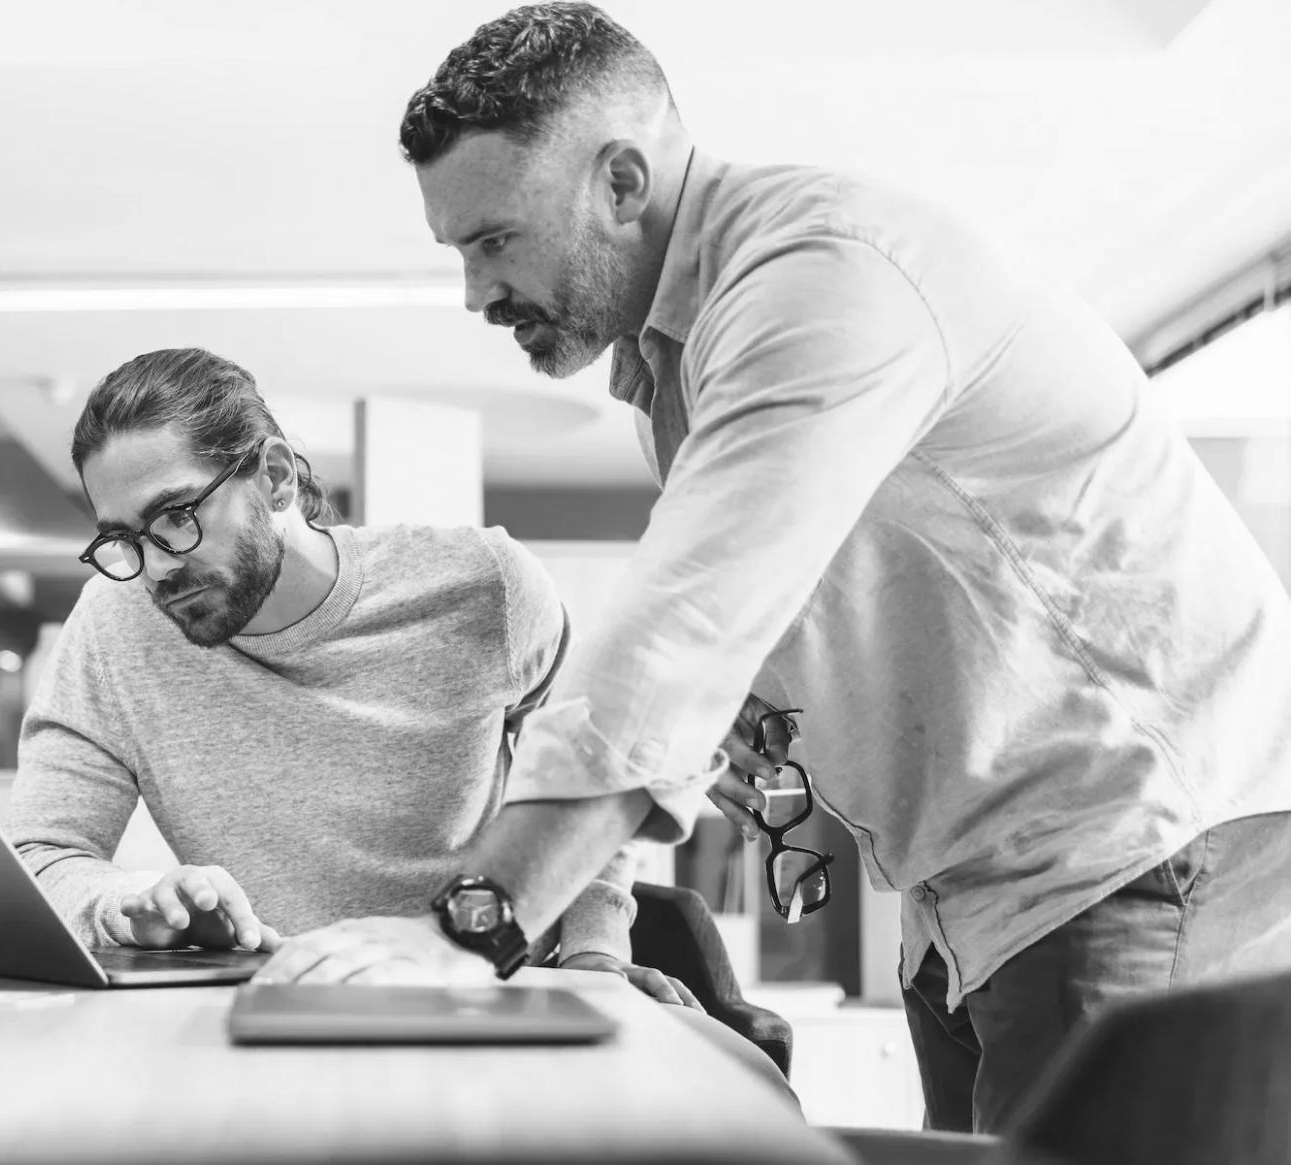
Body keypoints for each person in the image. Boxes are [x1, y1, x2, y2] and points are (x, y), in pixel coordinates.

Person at [257, 1, 1291, 1135]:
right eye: (459, 252)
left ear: (621, 181)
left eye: (496, 239)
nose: (475, 292)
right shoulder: (675, 358)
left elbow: (681, 624)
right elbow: (780, 606)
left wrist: (469, 926)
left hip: (1125, 849)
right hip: (974, 894)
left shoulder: (820, 278)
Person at [1, 346, 695, 1006]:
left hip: (485, 993)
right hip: (265, 1006)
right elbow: (43, 850)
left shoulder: (485, 589)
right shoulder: (114, 623)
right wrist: (121, 903)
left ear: (272, 477)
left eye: (175, 517)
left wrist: (593, 954)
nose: (153, 567)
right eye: (122, 538)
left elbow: (604, 767)